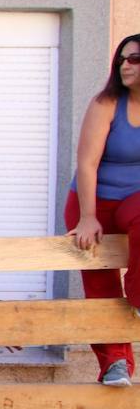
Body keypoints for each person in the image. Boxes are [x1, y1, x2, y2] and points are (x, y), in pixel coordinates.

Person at [67, 33, 140, 387]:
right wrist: (87, 217)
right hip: (92, 201)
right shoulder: (106, 103)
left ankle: (138, 297)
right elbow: (87, 164)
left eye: (134, 59)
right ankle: (116, 364)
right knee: (100, 284)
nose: (125, 65)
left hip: (135, 200)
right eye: (121, 59)